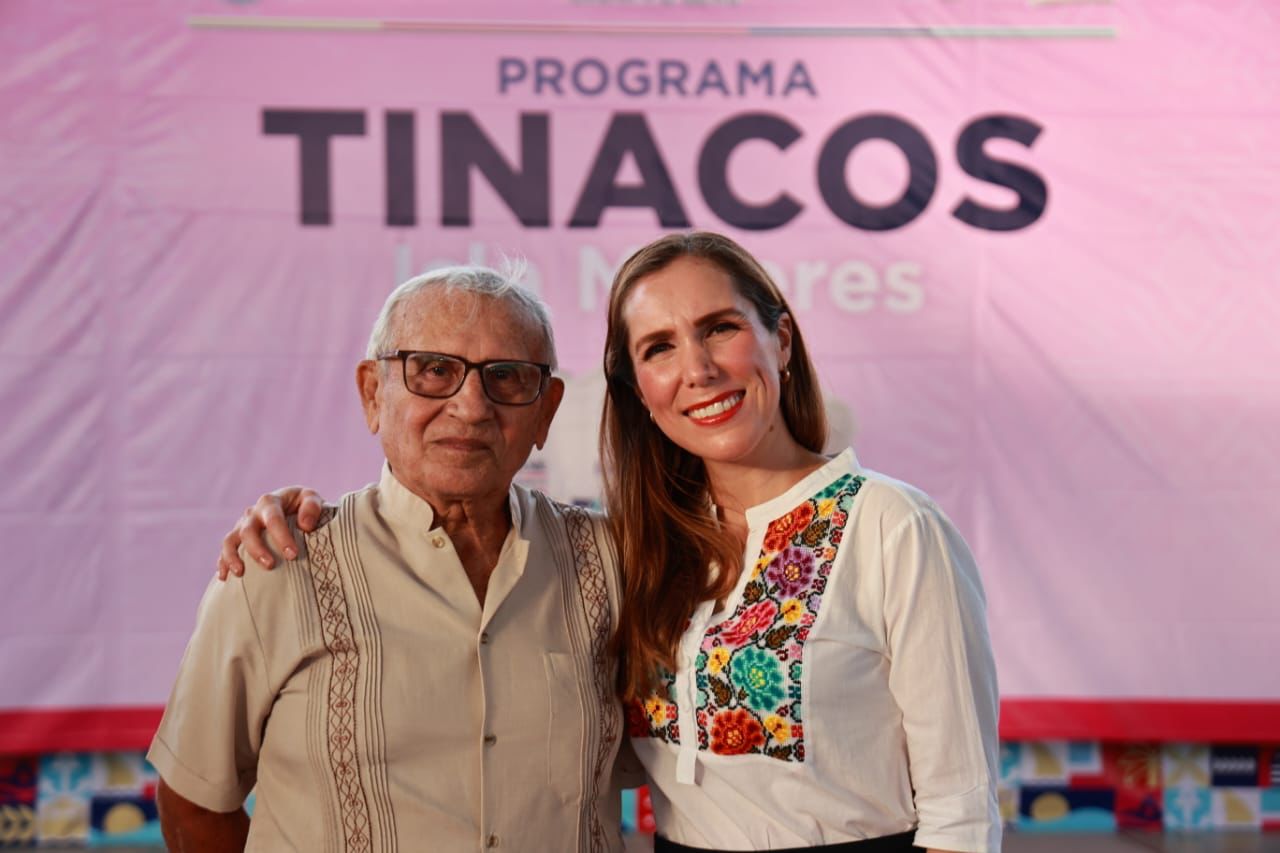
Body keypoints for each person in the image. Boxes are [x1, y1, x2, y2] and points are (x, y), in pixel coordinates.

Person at [224, 232, 1001, 852]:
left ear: (782, 339)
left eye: (720, 328)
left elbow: (961, 812)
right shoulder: (641, 548)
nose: (697, 369)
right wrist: (299, 513)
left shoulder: (893, 527)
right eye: (659, 347)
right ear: (638, 389)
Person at [151, 267, 627, 852]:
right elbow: (194, 806)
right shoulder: (280, 566)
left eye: (505, 376)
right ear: (373, 392)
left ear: (546, 410)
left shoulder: (611, 562)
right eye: (435, 370)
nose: (471, 406)